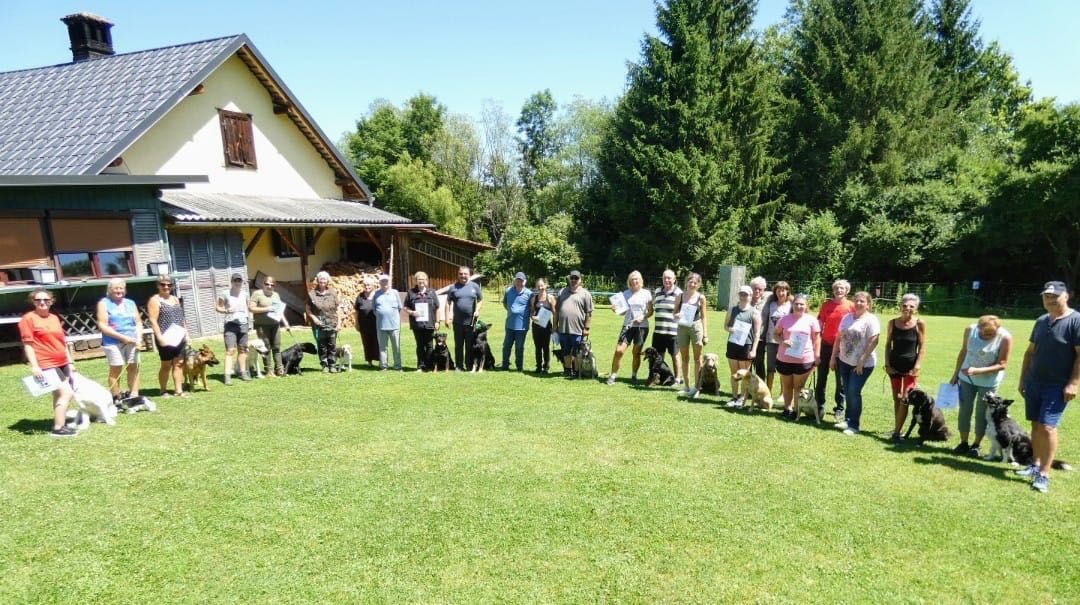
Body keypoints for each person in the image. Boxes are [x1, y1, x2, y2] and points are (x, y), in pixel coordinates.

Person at [1015, 281, 1080, 493]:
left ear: (1066, 296)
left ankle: (1044, 473)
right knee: (1035, 425)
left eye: (1055, 296)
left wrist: (1074, 383)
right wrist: (1023, 379)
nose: (1050, 300)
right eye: (1046, 296)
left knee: (1048, 427)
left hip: (1057, 385)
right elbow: (1030, 352)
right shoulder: (1042, 321)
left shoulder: (1076, 321)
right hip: (1034, 382)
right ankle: (1035, 465)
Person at [950, 315, 1012, 457]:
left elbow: (1002, 364)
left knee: (982, 414)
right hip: (966, 378)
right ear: (978, 328)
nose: (987, 336)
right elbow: (964, 351)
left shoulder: (1005, 337)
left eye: (991, 334)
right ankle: (963, 443)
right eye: (984, 333)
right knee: (964, 410)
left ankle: (976, 445)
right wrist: (956, 374)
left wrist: (978, 371)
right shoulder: (970, 330)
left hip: (988, 383)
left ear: (998, 329)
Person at [20, 289, 78, 437]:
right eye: (38, 300)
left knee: (58, 394)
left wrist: (70, 361)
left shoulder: (54, 318)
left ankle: (60, 421)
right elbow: (28, 345)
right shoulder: (28, 319)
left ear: (51, 301)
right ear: (33, 302)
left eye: (46, 300)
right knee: (67, 393)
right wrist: (35, 366)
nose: (42, 302)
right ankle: (58, 428)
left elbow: (62, 342)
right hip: (47, 363)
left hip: (62, 362)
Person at [830, 291, 880, 436]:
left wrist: (862, 361)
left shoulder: (871, 320)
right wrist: (833, 357)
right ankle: (848, 420)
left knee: (853, 391)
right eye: (856, 300)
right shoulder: (847, 318)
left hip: (863, 364)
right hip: (844, 361)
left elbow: (874, 341)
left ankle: (854, 425)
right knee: (847, 391)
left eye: (862, 301)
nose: (858, 303)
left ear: (868, 304)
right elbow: (838, 338)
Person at [885, 294, 927, 442]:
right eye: (905, 305)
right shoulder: (892, 323)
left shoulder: (919, 323)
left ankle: (896, 433)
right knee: (897, 398)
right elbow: (888, 345)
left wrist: (917, 365)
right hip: (894, 366)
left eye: (911, 306)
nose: (907, 308)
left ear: (916, 309)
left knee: (905, 399)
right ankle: (899, 428)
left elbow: (922, 347)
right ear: (900, 306)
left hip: (911, 368)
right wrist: (887, 364)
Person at [96, 277, 143, 403]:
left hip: (132, 341)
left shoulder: (130, 303)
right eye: (116, 288)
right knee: (116, 368)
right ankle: (117, 398)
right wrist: (123, 338)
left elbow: (138, 322)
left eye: (121, 288)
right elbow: (103, 326)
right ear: (110, 290)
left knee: (133, 367)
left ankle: (134, 396)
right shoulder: (104, 303)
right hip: (113, 342)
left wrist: (139, 338)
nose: (119, 291)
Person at [776, 293, 821, 419]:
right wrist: (782, 341)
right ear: (792, 304)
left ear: (806, 306)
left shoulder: (812, 320)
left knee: (798, 387)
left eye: (802, 304)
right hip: (785, 358)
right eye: (796, 304)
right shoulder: (784, 319)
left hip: (804, 359)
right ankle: (787, 408)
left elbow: (817, 339)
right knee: (787, 386)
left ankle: (796, 410)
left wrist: (817, 356)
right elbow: (776, 334)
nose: (799, 306)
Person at [816, 279, 854, 420]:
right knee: (821, 377)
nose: (839, 290)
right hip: (826, 345)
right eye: (836, 288)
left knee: (841, 380)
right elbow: (820, 324)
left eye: (842, 288)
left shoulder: (851, 306)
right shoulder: (826, 305)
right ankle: (819, 405)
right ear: (833, 290)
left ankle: (840, 408)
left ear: (847, 291)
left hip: (843, 348)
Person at [607, 271, 652, 385]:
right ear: (629, 281)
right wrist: (615, 310)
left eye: (636, 279)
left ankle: (634, 376)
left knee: (636, 353)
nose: (634, 281)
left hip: (642, 327)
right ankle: (613, 376)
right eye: (632, 279)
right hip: (628, 326)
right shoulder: (625, 294)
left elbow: (651, 311)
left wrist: (643, 317)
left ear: (640, 280)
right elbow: (622, 312)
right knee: (619, 351)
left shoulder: (646, 293)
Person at [147, 275, 188, 397]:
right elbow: (153, 320)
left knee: (179, 363)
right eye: (163, 284)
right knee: (166, 365)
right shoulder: (154, 300)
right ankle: (163, 390)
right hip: (165, 337)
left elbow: (181, 318)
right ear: (158, 286)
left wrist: (187, 334)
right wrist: (160, 338)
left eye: (169, 285)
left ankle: (178, 390)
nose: (166, 287)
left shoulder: (175, 299)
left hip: (179, 336)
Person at [674, 273, 709, 397]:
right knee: (685, 358)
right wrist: (677, 315)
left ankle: (697, 388)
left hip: (696, 327)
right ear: (686, 282)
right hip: (682, 327)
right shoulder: (680, 296)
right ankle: (687, 386)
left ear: (699, 284)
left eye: (695, 282)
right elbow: (674, 312)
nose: (692, 284)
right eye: (690, 282)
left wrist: (705, 334)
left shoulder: (701, 297)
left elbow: (704, 317)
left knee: (698, 359)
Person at [724, 285, 759, 406]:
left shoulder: (754, 312)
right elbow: (725, 326)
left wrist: (754, 350)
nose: (743, 297)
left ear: (751, 296)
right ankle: (734, 397)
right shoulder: (732, 309)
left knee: (745, 375)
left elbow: (757, 334)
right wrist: (729, 329)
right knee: (734, 373)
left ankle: (742, 399)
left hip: (746, 346)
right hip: (733, 344)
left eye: (746, 294)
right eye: (741, 294)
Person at [249, 275, 291, 377]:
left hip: (275, 325)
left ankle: (280, 370)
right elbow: (251, 308)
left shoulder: (276, 295)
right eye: (267, 284)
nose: (269, 286)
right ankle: (268, 371)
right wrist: (267, 309)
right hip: (262, 326)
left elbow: (279, 310)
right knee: (266, 347)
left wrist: (285, 323)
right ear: (263, 284)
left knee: (276, 347)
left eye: (272, 285)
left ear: (274, 286)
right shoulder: (257, 294)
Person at [555, 269, 593, 378]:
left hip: (578, 329)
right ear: (569, 279)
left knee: (577, 352)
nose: (574, 280)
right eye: (572, 278)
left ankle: (576, 371)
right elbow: (557, 310)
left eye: (576, 278)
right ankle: (568, 370)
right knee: (566, 351)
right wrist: (555, 325)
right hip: (563, 328)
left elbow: (589, 313)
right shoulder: (562, 292)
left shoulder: (585, 294)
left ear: (580, 280)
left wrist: (586, 328)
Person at [445, 266, 483, 371]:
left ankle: (469, 365)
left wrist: (477, 310)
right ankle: (459, 366)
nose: (463, 276)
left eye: (465, 274)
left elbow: (480, 300)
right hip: (457, 322)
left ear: (469, 275)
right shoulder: (453, 287)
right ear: (458, 275)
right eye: (461, 274)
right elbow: (448, 303)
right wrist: (447, 317)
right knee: (459, 345)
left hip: (471, 322)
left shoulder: (475, 286)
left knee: (469, 345)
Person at [216, 273, 251, 385]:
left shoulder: (245, 294)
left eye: (239, 280)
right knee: (230, 350)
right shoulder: (225, 293)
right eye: (235, 281)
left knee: (243, 349)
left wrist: (250, 319)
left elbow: (248, 307)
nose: (237, 283)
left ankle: (243, 372)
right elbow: (218, 307)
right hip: (230, 324)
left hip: (243, 324)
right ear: (231, 282)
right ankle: (227, 376)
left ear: (242, 282)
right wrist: (226, 310)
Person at [650, 269, 682, 385]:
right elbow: (652, 306)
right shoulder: (657, 291)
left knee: (675, 355)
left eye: (669, 278)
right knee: (658, 356)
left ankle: (678, 378)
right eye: (664, 278)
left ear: (674, 279)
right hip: (658, 331)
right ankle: (658, 378)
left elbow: (684, 310)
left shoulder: (679, 293)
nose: (667, 280)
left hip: (673, 331)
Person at [404, 271, 440, 372]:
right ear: (416, 281)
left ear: (426, 281)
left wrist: (437, 321)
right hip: (417, 324)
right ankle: (420, 366)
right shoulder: (411, 292)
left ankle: (429, 366)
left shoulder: (432, 292)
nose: (421, 281)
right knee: (420, 346)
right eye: (419, 279)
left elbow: (437, 307)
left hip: (430, 323)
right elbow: (405, 307)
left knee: (429, 346)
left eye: (423, 279)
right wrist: (412, 312)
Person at [306, 271, 340, 372]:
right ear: (318, 281)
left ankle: (332, 365)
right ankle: (324, 365)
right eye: (321, 280)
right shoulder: (312, 294)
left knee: (332, 345)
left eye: (325, 280)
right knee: (321, 345)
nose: (322, 282)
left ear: (327, 281)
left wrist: (339, 323)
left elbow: (338, 309)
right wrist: (314, 318)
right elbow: (307, 309)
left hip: (332, 323)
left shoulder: (333, 293)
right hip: (319, 324)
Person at [762, 281, 792, 398]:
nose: (780, 293)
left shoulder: (791, 305)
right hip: (771, 340)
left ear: (787, 291)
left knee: (783, 367)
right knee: (770, 367)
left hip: (785, 341)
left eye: (783, 290)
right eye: (778, 290)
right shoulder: (771, 304)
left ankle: (783, 393)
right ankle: (768, 392)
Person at [501, 272, 532, 372]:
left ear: (525, 281)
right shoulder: (508, 291)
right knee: (506, 346)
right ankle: (505, 365)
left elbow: (532, 308)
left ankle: (519, 367)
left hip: (522, 326)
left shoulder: (529, 294)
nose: (519, 282)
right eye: (518, 280)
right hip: (509, 324)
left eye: (521, 281)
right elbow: (505, 303)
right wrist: (511, 311)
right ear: (515, 281)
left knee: (519, 347)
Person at [373, 274, 402, 371]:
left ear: (389, 282)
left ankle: (397, 366)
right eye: (382, 281)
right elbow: (374, 309)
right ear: (379, 283)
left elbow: (400, 308)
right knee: (382, 347)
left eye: (386, 281)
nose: (384, 283)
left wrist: (391, 315)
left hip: (394, 326)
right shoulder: (376, 294)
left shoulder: (395, 293)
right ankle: (383, 366)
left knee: (396, 347)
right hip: (381, 326)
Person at [530, 278, 557, 374]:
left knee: (546, 347)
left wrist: (554, 327)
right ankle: (538, 367)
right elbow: (531, 312)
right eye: (538, 286)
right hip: (536, 327)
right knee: (537, 347)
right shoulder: (534, 298)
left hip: (546, 327)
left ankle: (546, 367)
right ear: (536, 287)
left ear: (546, 285)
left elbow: (555, 313)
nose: (540, 287)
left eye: (541, 285)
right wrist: (533, 317)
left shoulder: (550, 298)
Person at [353, 277, 380, 366]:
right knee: (366, 342)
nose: (367, 286)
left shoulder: (377, 295)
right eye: (365, 285)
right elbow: (356, 311)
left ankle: (381, 360)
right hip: (364, 324)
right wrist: (356, 323)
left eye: (368, 285)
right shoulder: (360, 296)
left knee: (378, 342)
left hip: (376, 324)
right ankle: (369, 361)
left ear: (373, 285)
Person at [749, 276, 772, 380]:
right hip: (747, 338)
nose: (757, 291)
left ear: (764, 289)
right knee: (747, 363)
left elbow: (784, 294)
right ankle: (747, 386)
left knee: (759, 363)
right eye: (755, 288)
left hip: (761, 338)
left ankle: (761, 386)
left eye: (760, 289)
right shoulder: (746, 299)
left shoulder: (769, 298)